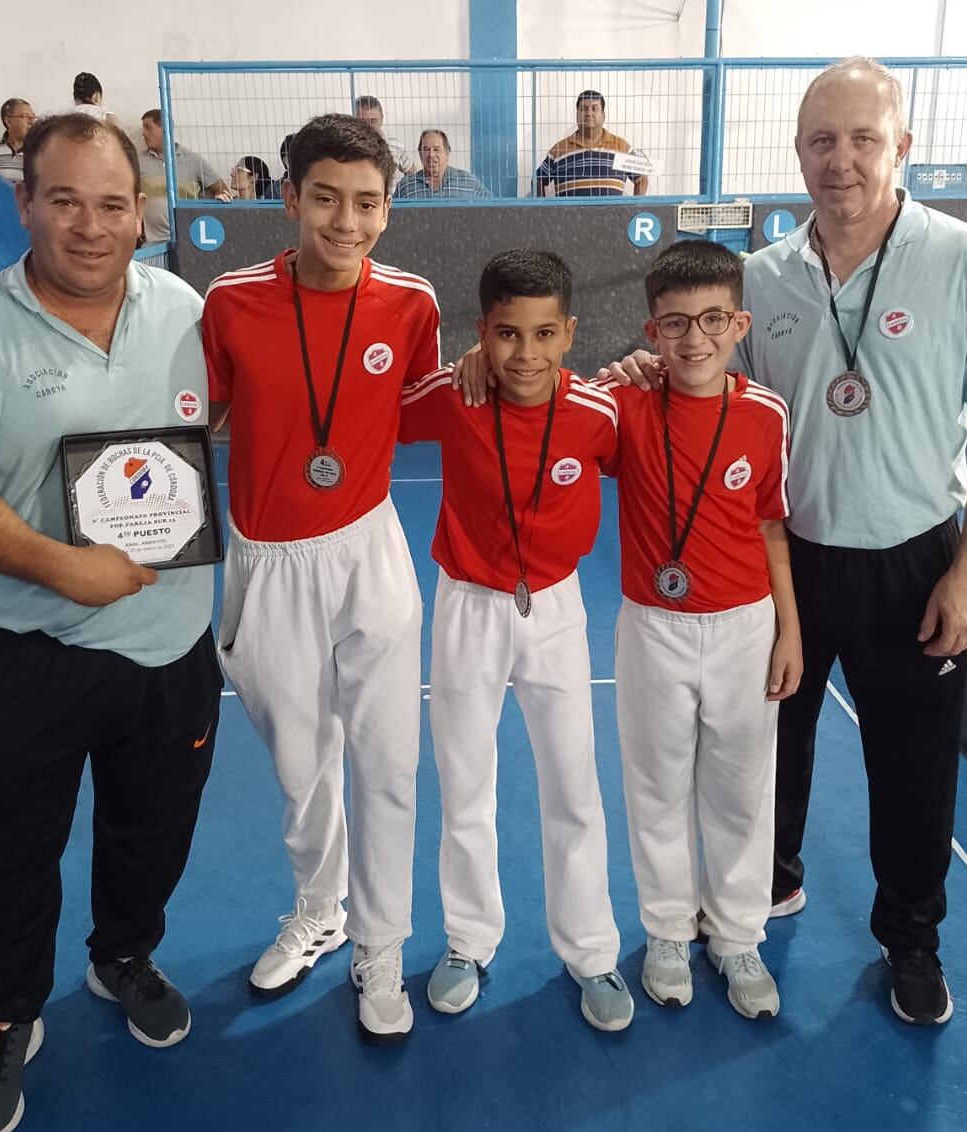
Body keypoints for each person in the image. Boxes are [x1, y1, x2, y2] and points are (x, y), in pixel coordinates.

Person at [606, 57, 967, 1027]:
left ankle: (910, 937)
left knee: (912, 763)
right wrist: (646, 362)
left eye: (861, 139)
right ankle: (768, 879)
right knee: (767, 749)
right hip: (785, 562)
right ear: (797, 152)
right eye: (819, 141)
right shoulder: (759, 277)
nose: (838, 161)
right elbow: (714, 397)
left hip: (911, 557)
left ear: (902, 149)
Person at [0, 112, 222, 1132]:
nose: (90, 226)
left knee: (152, 828)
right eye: (66, 200)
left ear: (143, 212)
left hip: (171, 645)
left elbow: (204, 434)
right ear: (24, 202)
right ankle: (4, 1013)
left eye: (112, 204)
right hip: (32, 650)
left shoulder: (180, 307)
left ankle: (122, 953)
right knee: (11, 851)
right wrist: (59, 565)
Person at [201, 113, 440, 1043]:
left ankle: (380, 942)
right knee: (301, 766)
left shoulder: (411, 302)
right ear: (290, 196)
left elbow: (422, 405)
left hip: (367, 548)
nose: (348, 221)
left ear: (389, 207)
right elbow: (198, 424)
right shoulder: (228, 301)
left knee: (385, 760)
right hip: (266, 560)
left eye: (369, 202)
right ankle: (320, 907)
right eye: (328, 198)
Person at [397, 250, 634, 1033]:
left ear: (569, 334)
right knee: (465, 782)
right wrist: (455, 363)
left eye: (542, 334)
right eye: (505, 335)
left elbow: (664, 431)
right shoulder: (454, 392)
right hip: (466, 605)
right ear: (482, 333)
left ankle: (592, 949)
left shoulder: (598, 413)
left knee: (573, 784)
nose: (524, 355)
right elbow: (379, 407)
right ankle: (468, 939)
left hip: (558, 610)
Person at [603, 239, 798, 1019]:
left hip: (746, 626)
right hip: (652, 626)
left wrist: (790, 630)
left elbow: (773, 525)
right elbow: (548, 417)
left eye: (713, 320)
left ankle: (737, 934)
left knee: (742, 787)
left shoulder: (764, 414)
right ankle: (665, 930)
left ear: (739, 321)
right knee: (655, 783)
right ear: (651, 331)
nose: (695, 340)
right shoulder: (624, 407)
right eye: (674, 324)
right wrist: (607, 373)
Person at [533, 89, 649, 198]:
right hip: (569, 218)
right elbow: (538, 179)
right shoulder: (559, 150)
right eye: (584, 108)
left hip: (613, 218)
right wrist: (542, 209)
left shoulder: (621, 146)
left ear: (603, 116)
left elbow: (641, 178)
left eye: (594, 108)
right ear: (576, 115)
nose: (589, 113)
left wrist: (635, 209)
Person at [139, 108, 230, 242]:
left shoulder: (192, 160)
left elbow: (222, 189)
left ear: (165, 128)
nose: (144, 134)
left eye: (148, 128)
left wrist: (217, 199)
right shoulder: (139, 161)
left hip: (187, 240)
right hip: (152, 242)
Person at [393, 129, 489, 200]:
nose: (431, 155)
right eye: (426, 149)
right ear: (420, 154)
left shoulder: (468, 182)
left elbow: (491, 210)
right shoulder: (405, 186)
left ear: (447, 154)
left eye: (436, 149)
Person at [354, 94, 416, 179]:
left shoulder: (396, 145)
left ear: (382, 119)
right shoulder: (348, 148)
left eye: (373, 121)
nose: (368, 126)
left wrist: (405, 191)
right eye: (363, 121)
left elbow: (411, 171)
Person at [0, 98, 35, 183]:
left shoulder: (39, 152)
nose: (31, 121)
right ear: (8, 121)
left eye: (33, 117)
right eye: (25, 116)